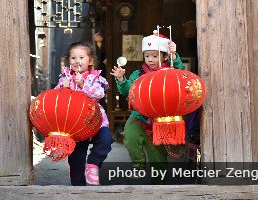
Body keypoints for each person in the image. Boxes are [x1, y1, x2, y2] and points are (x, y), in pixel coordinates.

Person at [110, 31, 184, 171]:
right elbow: (128, 91)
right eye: (147, 55)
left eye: (155, 56)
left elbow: (182, 75)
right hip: (141, 115)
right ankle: (138, 164)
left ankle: (159, 184)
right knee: (130, 135)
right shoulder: (138, 74)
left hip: (162, 119)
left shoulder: (171, 71)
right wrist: (121, 79)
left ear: (165, 56)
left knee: (157, 155)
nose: (150, 59)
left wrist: (175, 56)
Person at [55, 41, 113, 186]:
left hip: (95, 121)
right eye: (73, 58)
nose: (77, 61)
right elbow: (54, 97)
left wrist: (83, 84)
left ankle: (93, 165)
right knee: (76, 156)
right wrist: (63, 88)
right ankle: (77, 184)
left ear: (90, 61)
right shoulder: (65, 77)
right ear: (69, 61)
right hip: (75, 123)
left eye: (81, 58)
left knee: (106, 139)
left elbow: (99, 94)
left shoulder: (95, 78)